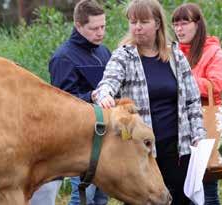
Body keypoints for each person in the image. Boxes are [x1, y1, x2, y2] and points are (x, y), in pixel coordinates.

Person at [94, 0, 206, 204]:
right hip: (140, 149)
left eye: (143, 21)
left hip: (178, 147)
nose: (137, 27)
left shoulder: (175, 55)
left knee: (181, 199)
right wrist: (105, 95)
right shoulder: (124, 56)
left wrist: (198, 135)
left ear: (157, 24)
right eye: (133, 21)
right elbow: (107, 82)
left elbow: (192, 100)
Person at [46, 0, 111, 205]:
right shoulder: (63, 58)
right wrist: (92, 95)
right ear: (78, 25)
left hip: (109, 135)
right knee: (84, 195)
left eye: (103, 26)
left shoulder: (104, 52)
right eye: (94, 28)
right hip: (82, 138)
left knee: (102, 195)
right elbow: (62, 104)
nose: (100, 32)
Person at [171, 3, 222, 205]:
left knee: (207, 190)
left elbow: (216, 86)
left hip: (204, 124)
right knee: (181, 188)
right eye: (175, 24)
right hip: (177, 129)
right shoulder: (172, 51)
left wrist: (185, 79)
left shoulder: (213, 52)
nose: (179, 29)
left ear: (198, 24)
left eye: (184, 23)